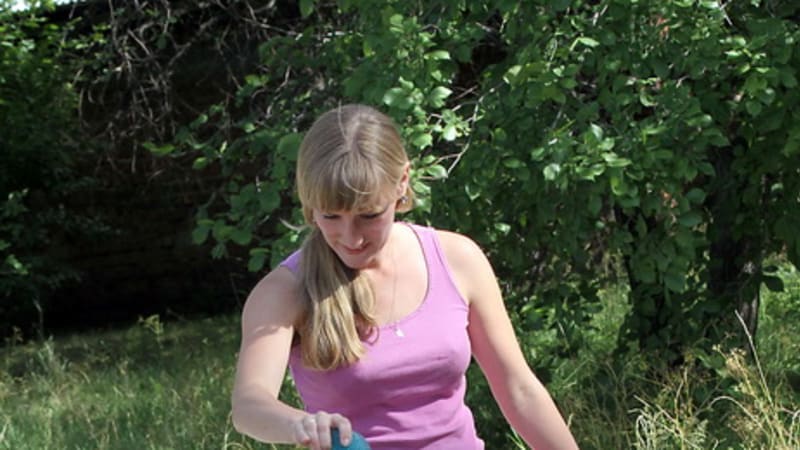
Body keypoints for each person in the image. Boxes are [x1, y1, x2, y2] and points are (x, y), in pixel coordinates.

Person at [230, 103, 579, 450]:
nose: (351, 238)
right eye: (331, 216)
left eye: (369, 215)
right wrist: (302, 425)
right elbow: (249, 405)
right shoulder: (285, 291)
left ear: (402, 183)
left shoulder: (457, 260)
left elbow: (519, 390)